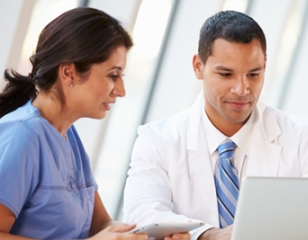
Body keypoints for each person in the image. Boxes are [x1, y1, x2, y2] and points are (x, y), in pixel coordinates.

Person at [122, 10, 308, 240]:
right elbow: (140, 214)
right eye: (226, 74)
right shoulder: (158, 140)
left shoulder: (302, 138)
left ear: (265, 65)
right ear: (198, 66)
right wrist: (209, 235)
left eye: (253, 74)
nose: (242, 89)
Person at [0, 7, 190, 240]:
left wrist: (147, 236)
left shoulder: (69, 137)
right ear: (69, 73)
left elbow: (100, 225)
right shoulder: (21, 136)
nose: (121, 91)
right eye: (112, 75)